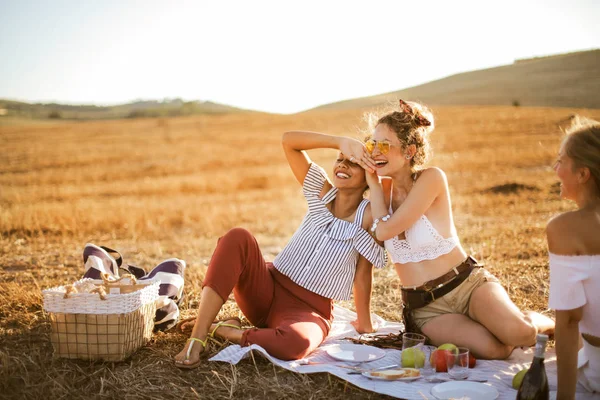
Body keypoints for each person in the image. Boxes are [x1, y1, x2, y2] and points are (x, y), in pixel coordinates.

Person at [174, 130, 386, 368]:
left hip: (308, 310)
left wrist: (365, 324)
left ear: (369, 173)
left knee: (298, 343)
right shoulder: (321, 191)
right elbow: (289, 142)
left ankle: (226, 331)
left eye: (354, 163)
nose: (343, 166)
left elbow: (363, 273)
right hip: (267, 287)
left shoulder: (369, 216)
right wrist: (339, 142)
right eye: (341, 159)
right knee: (237, 237)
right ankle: (198, 337)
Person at [364, 99, 554, 359]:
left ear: (409, 151)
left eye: (383, 145)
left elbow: (384, 231)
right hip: (426, 309)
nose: (375, 152)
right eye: (371, 143)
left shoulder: (432, 178)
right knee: (496, 350)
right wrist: (374, 185)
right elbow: (377, 230)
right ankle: (498, 325)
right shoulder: (379, 193)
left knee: (519, 334)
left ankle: (547, 323)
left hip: (468, 286)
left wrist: (374, 186)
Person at [547, 118, 600, 397]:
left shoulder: (565, 229)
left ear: (582, 174)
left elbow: (568, 322)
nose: (555, 170)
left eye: (561, 161)